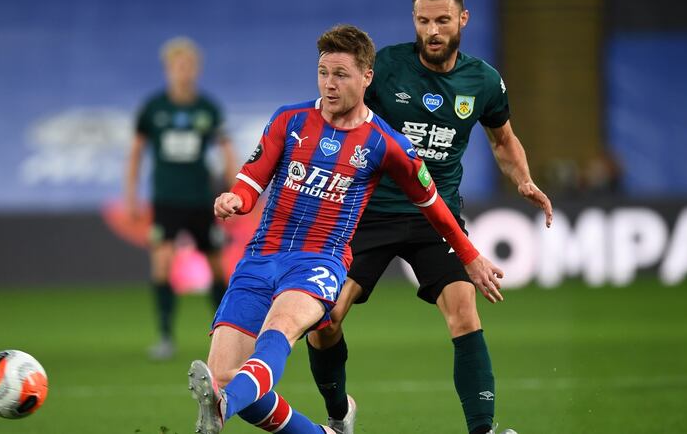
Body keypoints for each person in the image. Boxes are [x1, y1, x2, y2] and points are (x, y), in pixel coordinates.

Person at [187, 24, 503, 434]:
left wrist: (469, 255)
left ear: (367, 77)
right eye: (323, 72)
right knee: (223, 376)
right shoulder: (289, 119)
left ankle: (224, 404)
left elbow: (434, 206)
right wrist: (236, 199)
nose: (329, 84)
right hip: (260, 258)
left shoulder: (387, 143)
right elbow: (252, 178)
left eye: (341, 74)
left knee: (278, 332)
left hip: (319, 262)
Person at [305, 0, 553, 434]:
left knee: (464, 312)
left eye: (442, 20)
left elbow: (503, 139)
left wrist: (523, 179)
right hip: (369, 214)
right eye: (423, 21)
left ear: (463, 20)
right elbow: (336, 118)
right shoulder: (385, 69)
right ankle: (339, 415)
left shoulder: (483, 81)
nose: (432, 31)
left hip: (436, 218)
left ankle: (483, 429)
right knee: (325, 320)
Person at [124, 37, 237, 361]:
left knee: (216, 266)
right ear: (168, 69)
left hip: (200, 198)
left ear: (196, 69)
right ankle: (165, 336)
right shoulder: (154, 108)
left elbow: (227, 150)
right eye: (177, 65)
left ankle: (227, 333)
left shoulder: (207, 109)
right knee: (162, 263)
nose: (183, 71)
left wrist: (237, 189)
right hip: (166, 199)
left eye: (188, 65)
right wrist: (131, 195)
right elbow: (136, 152)